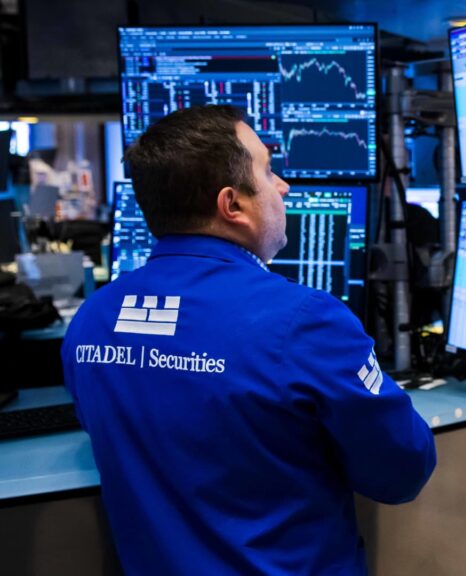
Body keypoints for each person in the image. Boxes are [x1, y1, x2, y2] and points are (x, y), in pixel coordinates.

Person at [61, 105, 436, 575]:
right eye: (268, 170)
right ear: (232, 205)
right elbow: (402, 471)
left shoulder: (92, 319)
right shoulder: (306, 322)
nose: (284, 187)